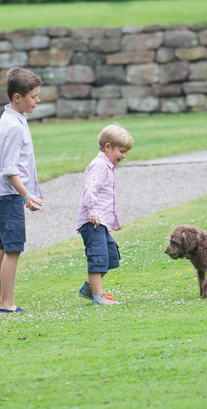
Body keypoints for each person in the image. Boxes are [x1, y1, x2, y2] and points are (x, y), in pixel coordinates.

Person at [0, 67, 43, 314]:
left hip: (5, 194)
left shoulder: (14, 118)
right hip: (8, 195)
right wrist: (26, 194)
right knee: (13, 247)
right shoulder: (13, 126)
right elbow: (10, 168)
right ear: (17, 97)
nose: (37, 100)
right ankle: (7, 304)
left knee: (4, 245)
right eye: (33, 96)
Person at [76, 124, 134, 305]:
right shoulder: (99, 165)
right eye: (121, 151)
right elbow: (89, 190)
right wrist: (92, 212)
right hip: (93, 222)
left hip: (101, 223)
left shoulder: (107, 165)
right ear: (108, 147)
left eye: (126, 152)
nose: (124, 156)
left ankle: (89, 288)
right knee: (98, 257)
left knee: (110, 256)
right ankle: (98, 297)